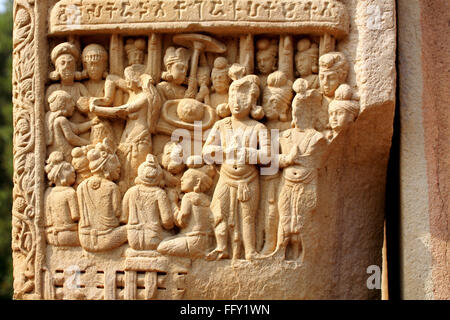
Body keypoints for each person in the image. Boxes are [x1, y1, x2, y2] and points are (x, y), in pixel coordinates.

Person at [203, 75, 270, 260]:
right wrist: (225, 151)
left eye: (242, 99)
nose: (237, 104)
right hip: (226, 177)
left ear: (252, 102)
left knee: (248, 218)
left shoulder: (258, 128)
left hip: (248, 180)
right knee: (218, 211)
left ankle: (250, 251)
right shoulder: (222, 125)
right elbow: (206, 151)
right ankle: (221, 247)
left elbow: (266, 156)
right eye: (233, 99)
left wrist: (248, 153)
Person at [90, 64, 162, 193]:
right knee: (122, 175)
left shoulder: (144, 97)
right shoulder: (132, 92)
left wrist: (97, 109)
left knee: (134, 176)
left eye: (129, 79)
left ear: (136, 80)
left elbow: (122, 111)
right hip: (126, 140)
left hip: (139, 140)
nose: (126, 82)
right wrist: (106, 99)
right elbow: (112, 78)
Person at [276, 96, 328, 261]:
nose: (296, 115)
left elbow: (317, 162)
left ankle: (304, 253)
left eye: (301, 111)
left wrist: (296, 159)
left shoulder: (316, 137)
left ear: (309, 113)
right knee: (285, 216)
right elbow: (272, 160)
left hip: (307, 182)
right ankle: (281, 250)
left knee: (302, 218)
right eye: (295, 111)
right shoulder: (285, 135)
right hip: (286, 182)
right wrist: (287, 159)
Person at [257, 71, 293, 254]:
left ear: (284, 109)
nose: (267, 105)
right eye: (266, 100)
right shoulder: (259, 127)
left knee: (272, 209)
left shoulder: (286, 129)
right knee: (259, 212)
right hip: (259, 176)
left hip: (277, 178)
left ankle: (271, 244)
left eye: (274, 102)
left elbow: (289, 156)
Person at [77, 139, 127, 252]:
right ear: (104, 167)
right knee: (132, 229)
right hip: (106, 237)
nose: (119, 165)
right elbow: (118, 213)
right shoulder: (111, 187)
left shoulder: (81, 187)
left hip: (84, 238)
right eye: (114, 162)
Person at [157, 164, 216, 259]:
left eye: (186, 177)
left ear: (197, 182)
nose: (181, 180)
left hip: (194, 241)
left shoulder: (188, 197)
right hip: (208, 242)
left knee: (161, 246)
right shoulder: (208, 199)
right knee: (168, 238)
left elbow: (181, 221)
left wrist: (172, 202)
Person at [122, 154, 175, 251]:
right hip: (153, 238)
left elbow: (124, 218)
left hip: (133, 239)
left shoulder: (131, 191)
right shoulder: (159, 193)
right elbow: (167, 221)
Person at [44, 151, 80, 247]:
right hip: (67, 235)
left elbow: (47, 219)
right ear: (60, 175)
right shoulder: (70, 192)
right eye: (68, 168)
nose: (73, 170)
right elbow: (75, 216)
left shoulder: (48, 193)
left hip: (50, 236)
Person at [45, 90, 92, 163]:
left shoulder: (49, 117)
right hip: (65, 155)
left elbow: (77, 128)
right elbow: (72, 138)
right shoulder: (61, 120)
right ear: (62, 104)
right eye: (70, 102)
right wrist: (89, 143)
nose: (73, 104)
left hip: (53, 154)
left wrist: (91, 123)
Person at [316, 52, 350, 131]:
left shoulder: (346, 104)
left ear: (342, 76)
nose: (325, 82)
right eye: (321, 77)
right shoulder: (313, 98)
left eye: (331, 78)